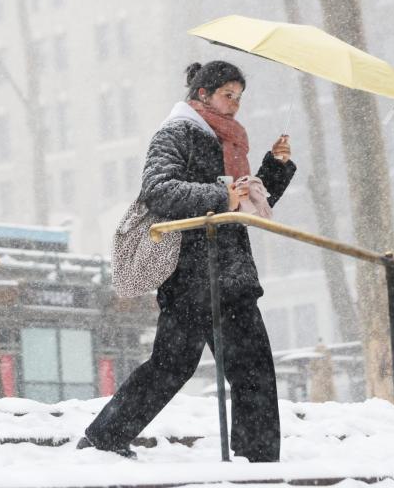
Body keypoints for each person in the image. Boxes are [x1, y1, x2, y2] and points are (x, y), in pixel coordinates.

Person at [79, 60, 297, 462]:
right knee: (172, 365)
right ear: (201, 94)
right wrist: (221, 194)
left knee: (253, 371)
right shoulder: (177, 132)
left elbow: (243, 207)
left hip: (231, 275)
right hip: (190, 275)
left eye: (238, 98)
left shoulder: (232, 143)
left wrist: (275, 168)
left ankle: (257, 463)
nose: (234, 105)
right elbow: (159, 190)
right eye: (226, 96)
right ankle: (103, 438)